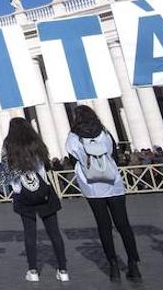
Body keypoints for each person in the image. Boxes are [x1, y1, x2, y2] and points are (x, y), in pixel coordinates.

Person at [65, 105, 141, 283]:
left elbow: (72, 159)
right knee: (123, 225)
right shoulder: (104, 133)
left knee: (103, 226)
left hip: (92, 185)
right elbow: (114, 155)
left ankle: (113, 266)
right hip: (113, 182)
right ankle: (133, 264)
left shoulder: (73, 137)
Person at [1, 118, 68, 282]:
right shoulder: (37, 143)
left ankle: (33, 271)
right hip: (44, 191)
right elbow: (47, 165)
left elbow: (5, 175)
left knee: (29, 233)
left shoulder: (8, 146)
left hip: (22, 193)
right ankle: (63, 270)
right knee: (54, 232)